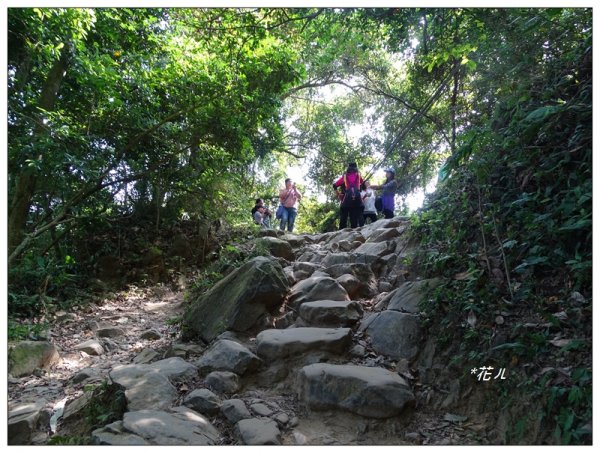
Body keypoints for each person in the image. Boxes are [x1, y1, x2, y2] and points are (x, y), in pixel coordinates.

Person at [333, 162, 365, 229]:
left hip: (347, 199)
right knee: (354, 218)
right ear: (356, 167)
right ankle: (355, 233)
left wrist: (338, 193)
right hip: (357, 200)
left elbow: (335, 185)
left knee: (343, 215)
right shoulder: (359, 175)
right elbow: (364, 185)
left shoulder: (345, 176)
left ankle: (341, 232)